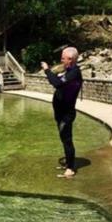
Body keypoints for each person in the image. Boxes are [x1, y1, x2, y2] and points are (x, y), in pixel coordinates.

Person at [40, 47, 83, 179]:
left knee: (67, 139)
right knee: (63, 138)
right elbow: (61, 82)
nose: (61, 60)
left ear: (70, 59)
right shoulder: (69, 71)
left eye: (63, 58)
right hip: (60, 112)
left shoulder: (74, 72)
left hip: (66, 114)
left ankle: (70, 169)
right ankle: (69, 163)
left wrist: (47, 70)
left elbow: (57, 83)